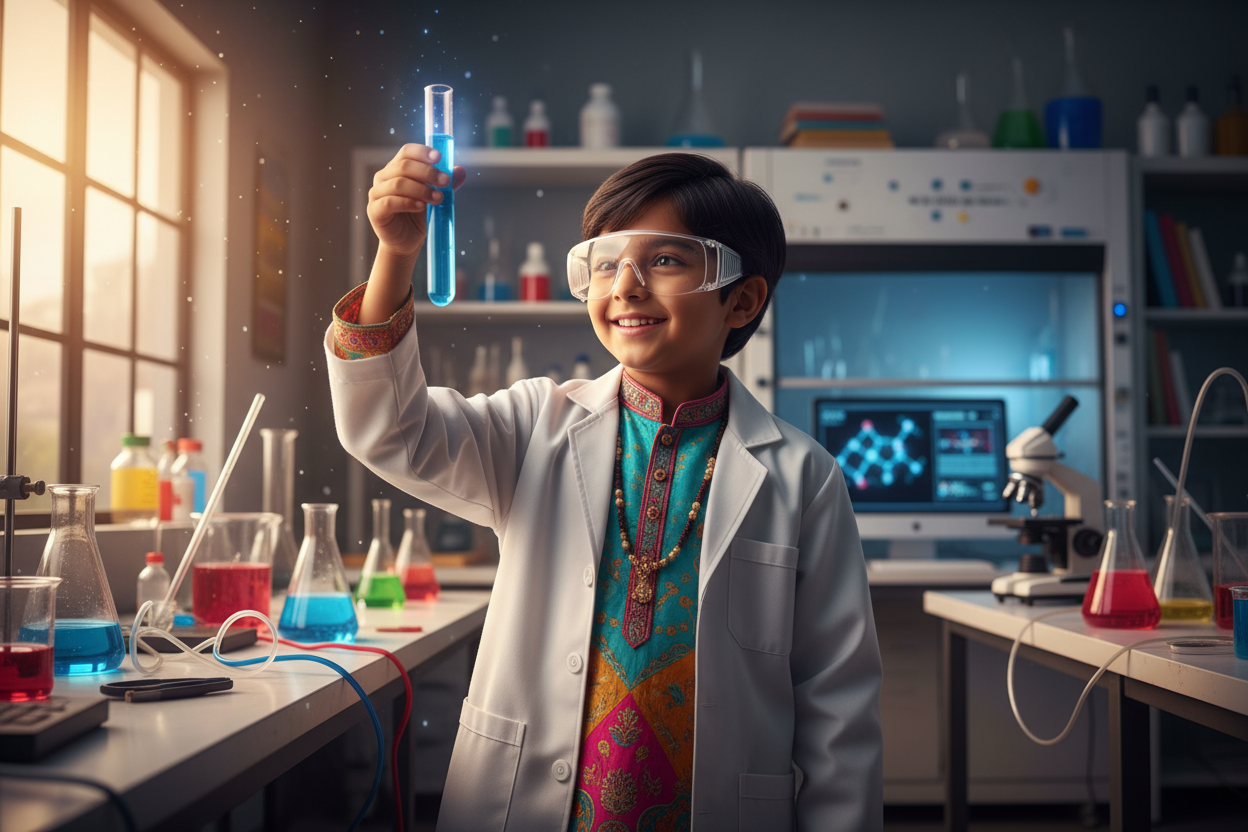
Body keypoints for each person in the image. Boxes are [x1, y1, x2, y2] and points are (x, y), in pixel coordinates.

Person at [326, 146, 882, 831]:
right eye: (606, 261)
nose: (626, 284)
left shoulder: (803, 478)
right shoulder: (536, 426)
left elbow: (838, 710)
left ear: (743, 298)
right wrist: (396, 255)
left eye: (666, 260)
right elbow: (390, 430)